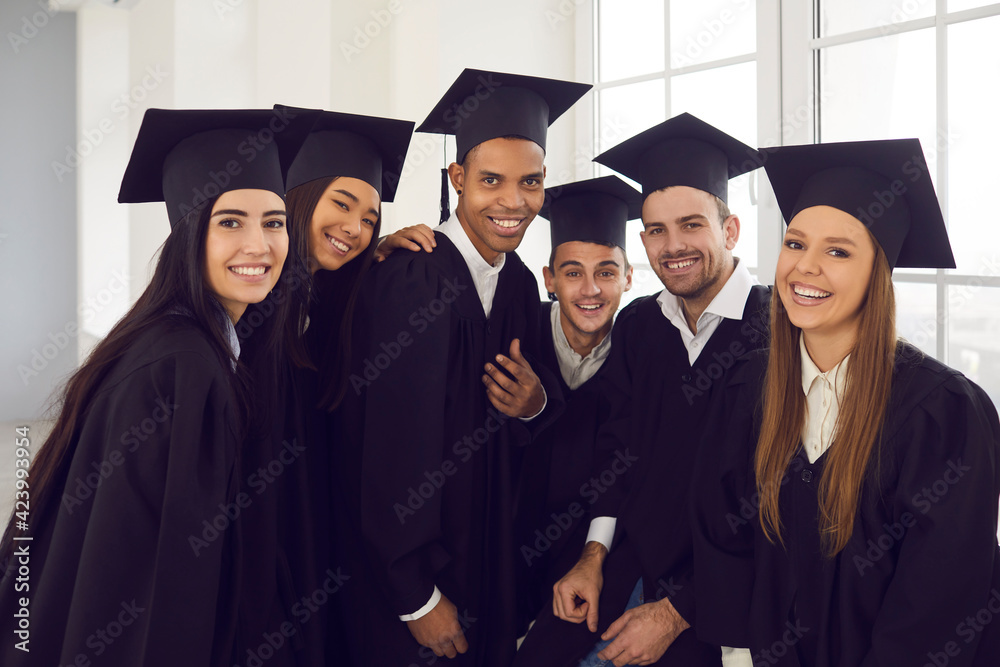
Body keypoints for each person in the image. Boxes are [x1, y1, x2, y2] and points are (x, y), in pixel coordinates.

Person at [0, 107, 312, 666]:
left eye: (273, 222)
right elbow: (167, 578)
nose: (259, 245)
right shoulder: (183, 368)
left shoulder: (183, 339)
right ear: (190, 234)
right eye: (230, 221)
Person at [692, 137, 1000, 666]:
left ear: (877, 272)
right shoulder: (748, 386)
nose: (805, 267)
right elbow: (723, 537)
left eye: (837, 251)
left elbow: (937, 603)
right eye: (795, 244)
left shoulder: (941, 414)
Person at [344, 68, 589, 667]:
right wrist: (416, 598)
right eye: (491, 181)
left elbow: (534, 427)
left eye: (530, 183)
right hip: (413, 589)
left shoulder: (521, 287)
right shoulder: (413, 278)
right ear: (458, 180)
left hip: (490, 567)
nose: (513, 202)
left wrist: (535, 405)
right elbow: (384, 450)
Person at [515, 112, 768, 667]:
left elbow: (775, 508)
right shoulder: (640, 327)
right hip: (633, 558)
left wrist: (676, 611)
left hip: (724, 593)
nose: (672, 245)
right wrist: (592, 555)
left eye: (691, 225)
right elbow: (618, 452)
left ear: (729, 231)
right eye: (655, 230)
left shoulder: (777, 332)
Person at [238, 105, 416, 667]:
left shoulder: (320, 299)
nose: (355, 228)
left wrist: (383, 257)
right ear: (299, 197)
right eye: (341, 205)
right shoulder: (250, 305)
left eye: (370, 218)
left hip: (307, 533)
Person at [514, 175, 637, 629]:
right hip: (502, 543)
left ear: (628, 277)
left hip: (591, 549)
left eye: (606, 271)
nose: (590, 290)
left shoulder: (641, 351)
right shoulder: (515, 331)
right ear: (549, 279)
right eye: (572, 273)